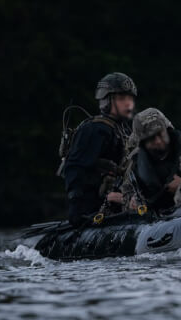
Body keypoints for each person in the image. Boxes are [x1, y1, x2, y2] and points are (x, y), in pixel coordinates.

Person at [61, 72, 136, 225]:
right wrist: (79, 210)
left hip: (120, 200)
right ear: (107, 101)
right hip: (95, 207)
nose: (128, 103)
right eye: (122, 98)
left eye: (130, 98)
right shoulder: (95, 130)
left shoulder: (124, 130)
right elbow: (74, 169)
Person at [119, 108, 181, 213]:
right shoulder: (135, 168)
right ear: (142, 143)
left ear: (167, 129)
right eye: (151, 138)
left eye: (160, 133)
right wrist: (132, 202)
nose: (158, 141)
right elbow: (126, 197)